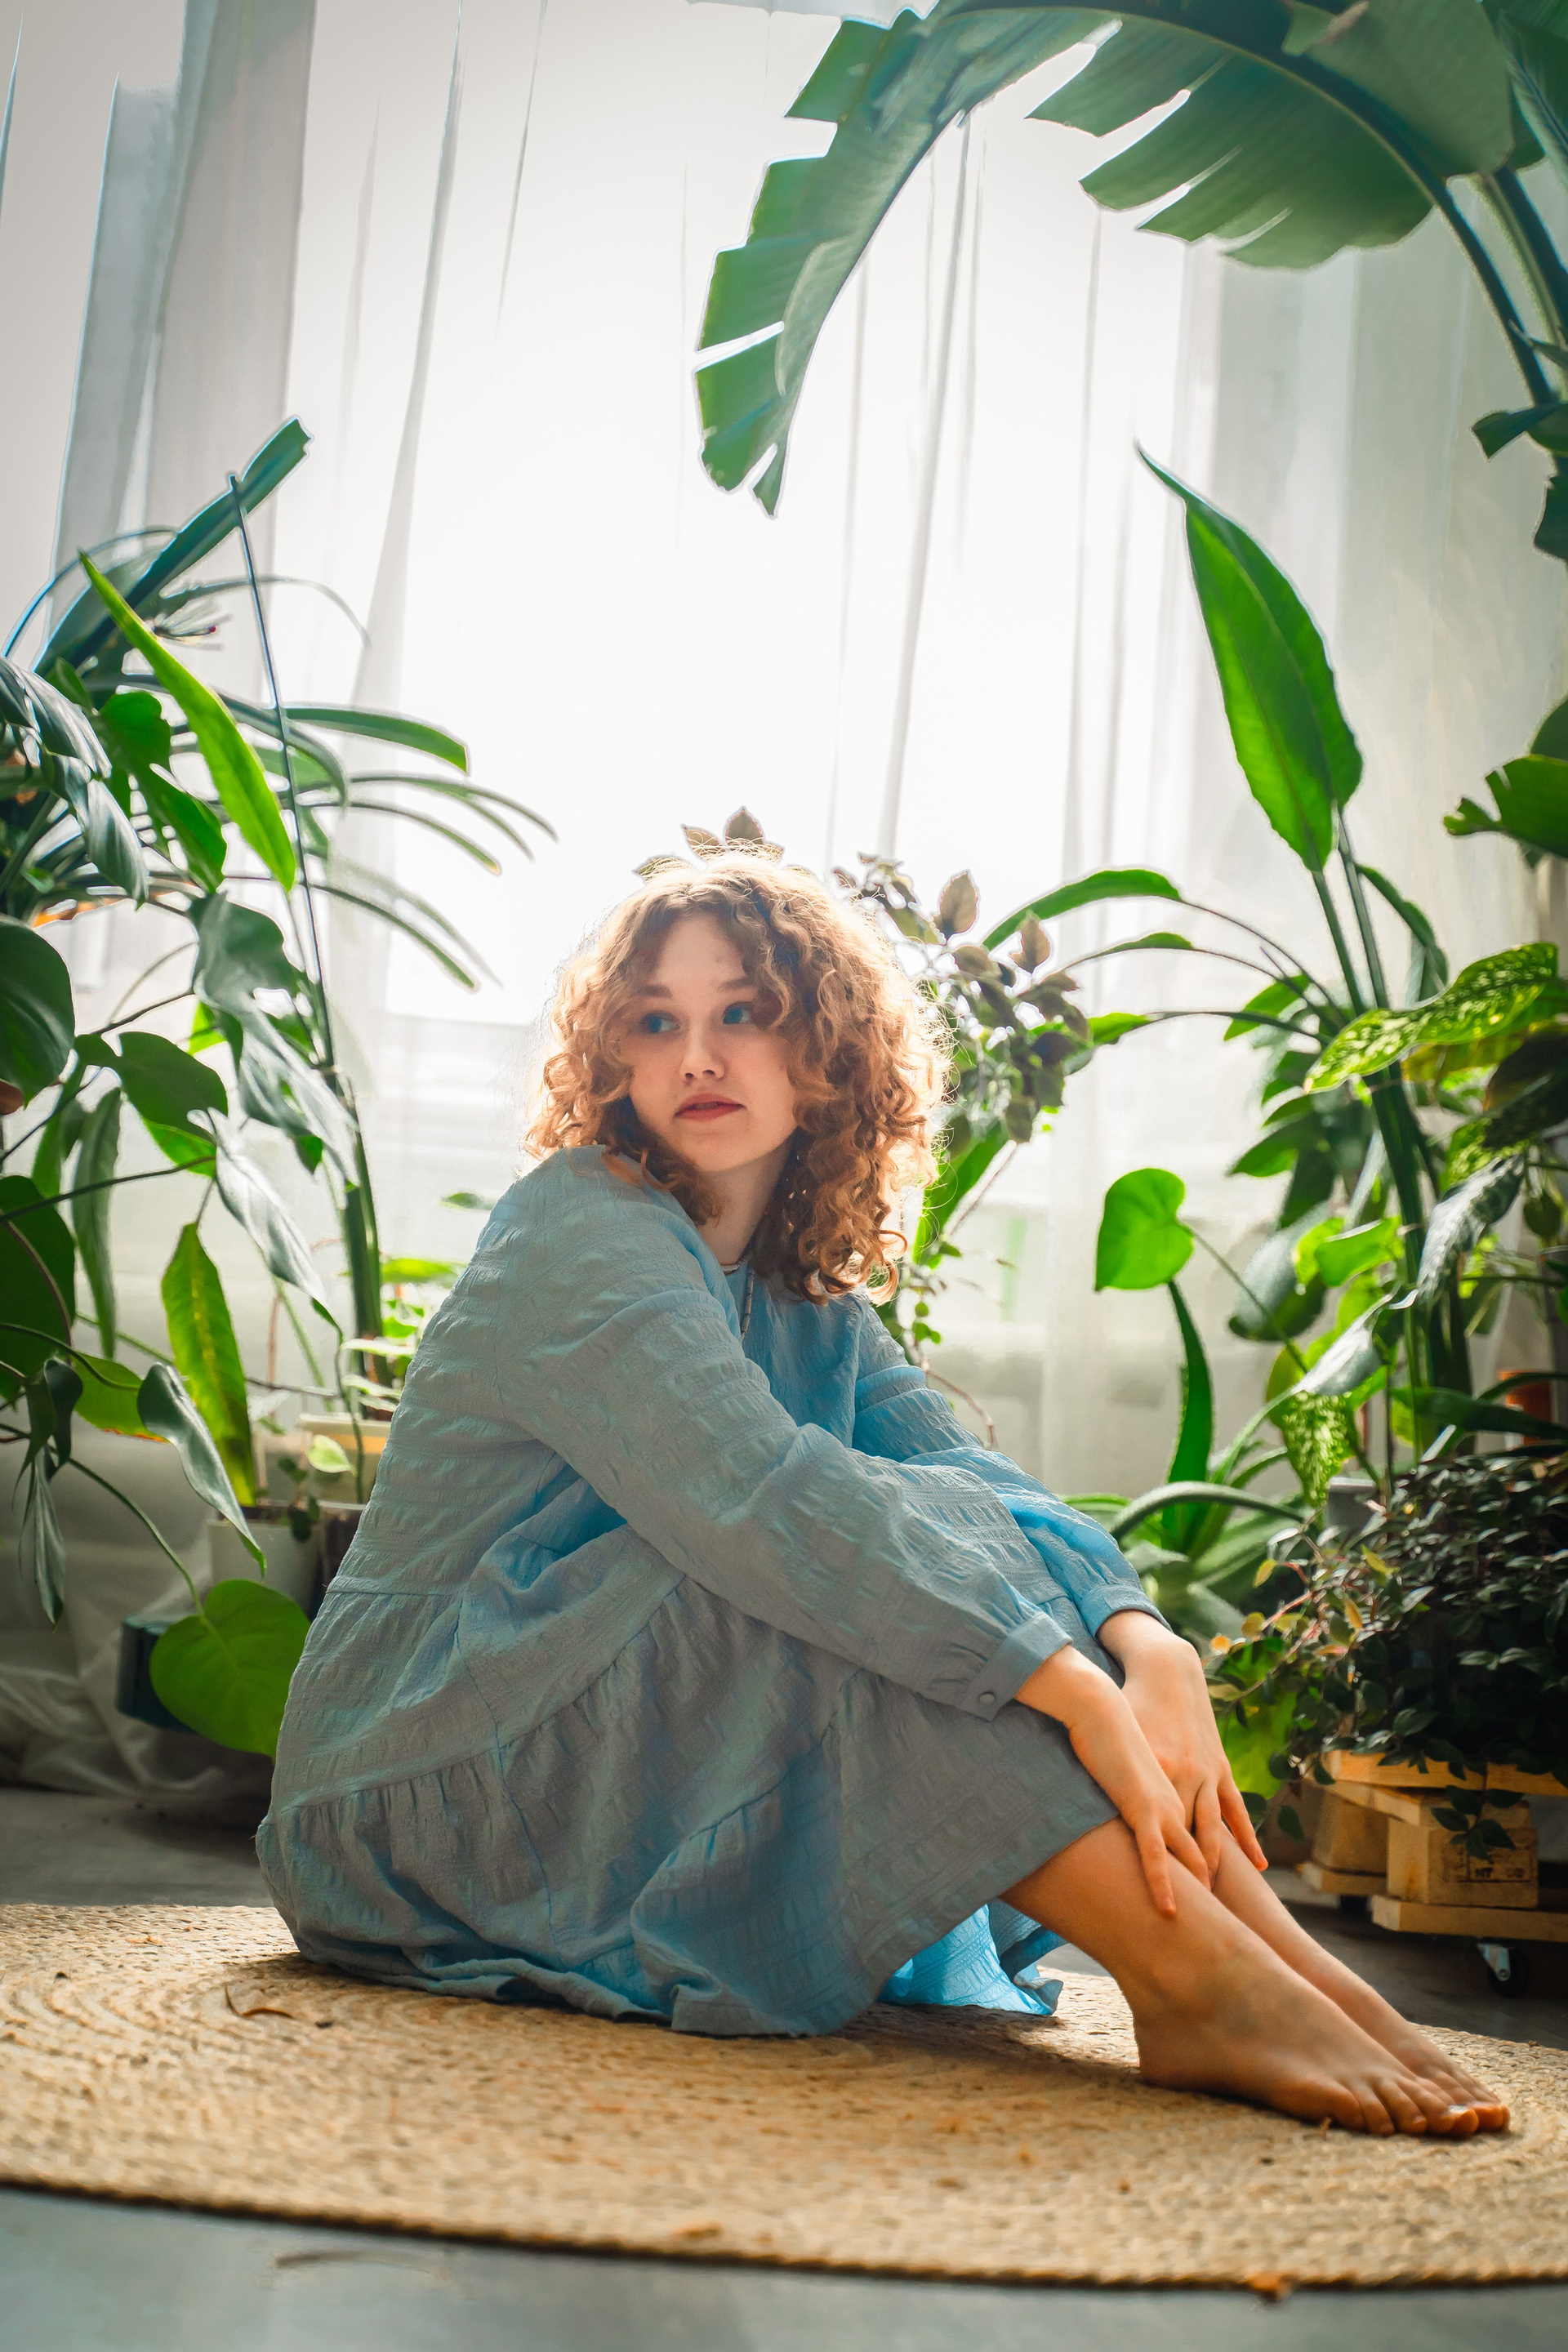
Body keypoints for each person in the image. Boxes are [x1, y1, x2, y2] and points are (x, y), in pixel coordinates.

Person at [259, 848, 1506, 2138]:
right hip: (416, 1784)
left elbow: (976, 1483)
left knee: (938, 1531)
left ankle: (1268, 1960)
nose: (699, 1056)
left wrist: (1150, 1648)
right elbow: (758, 1502)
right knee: (824, 1573)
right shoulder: (579, 1223)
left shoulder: (797, 1289)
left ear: (827, 1052)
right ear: (615, 1058)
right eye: (658, 1022)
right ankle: (1197, 1976)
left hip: (568, 1734)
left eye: (744, 1012)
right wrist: (1072, 1685)